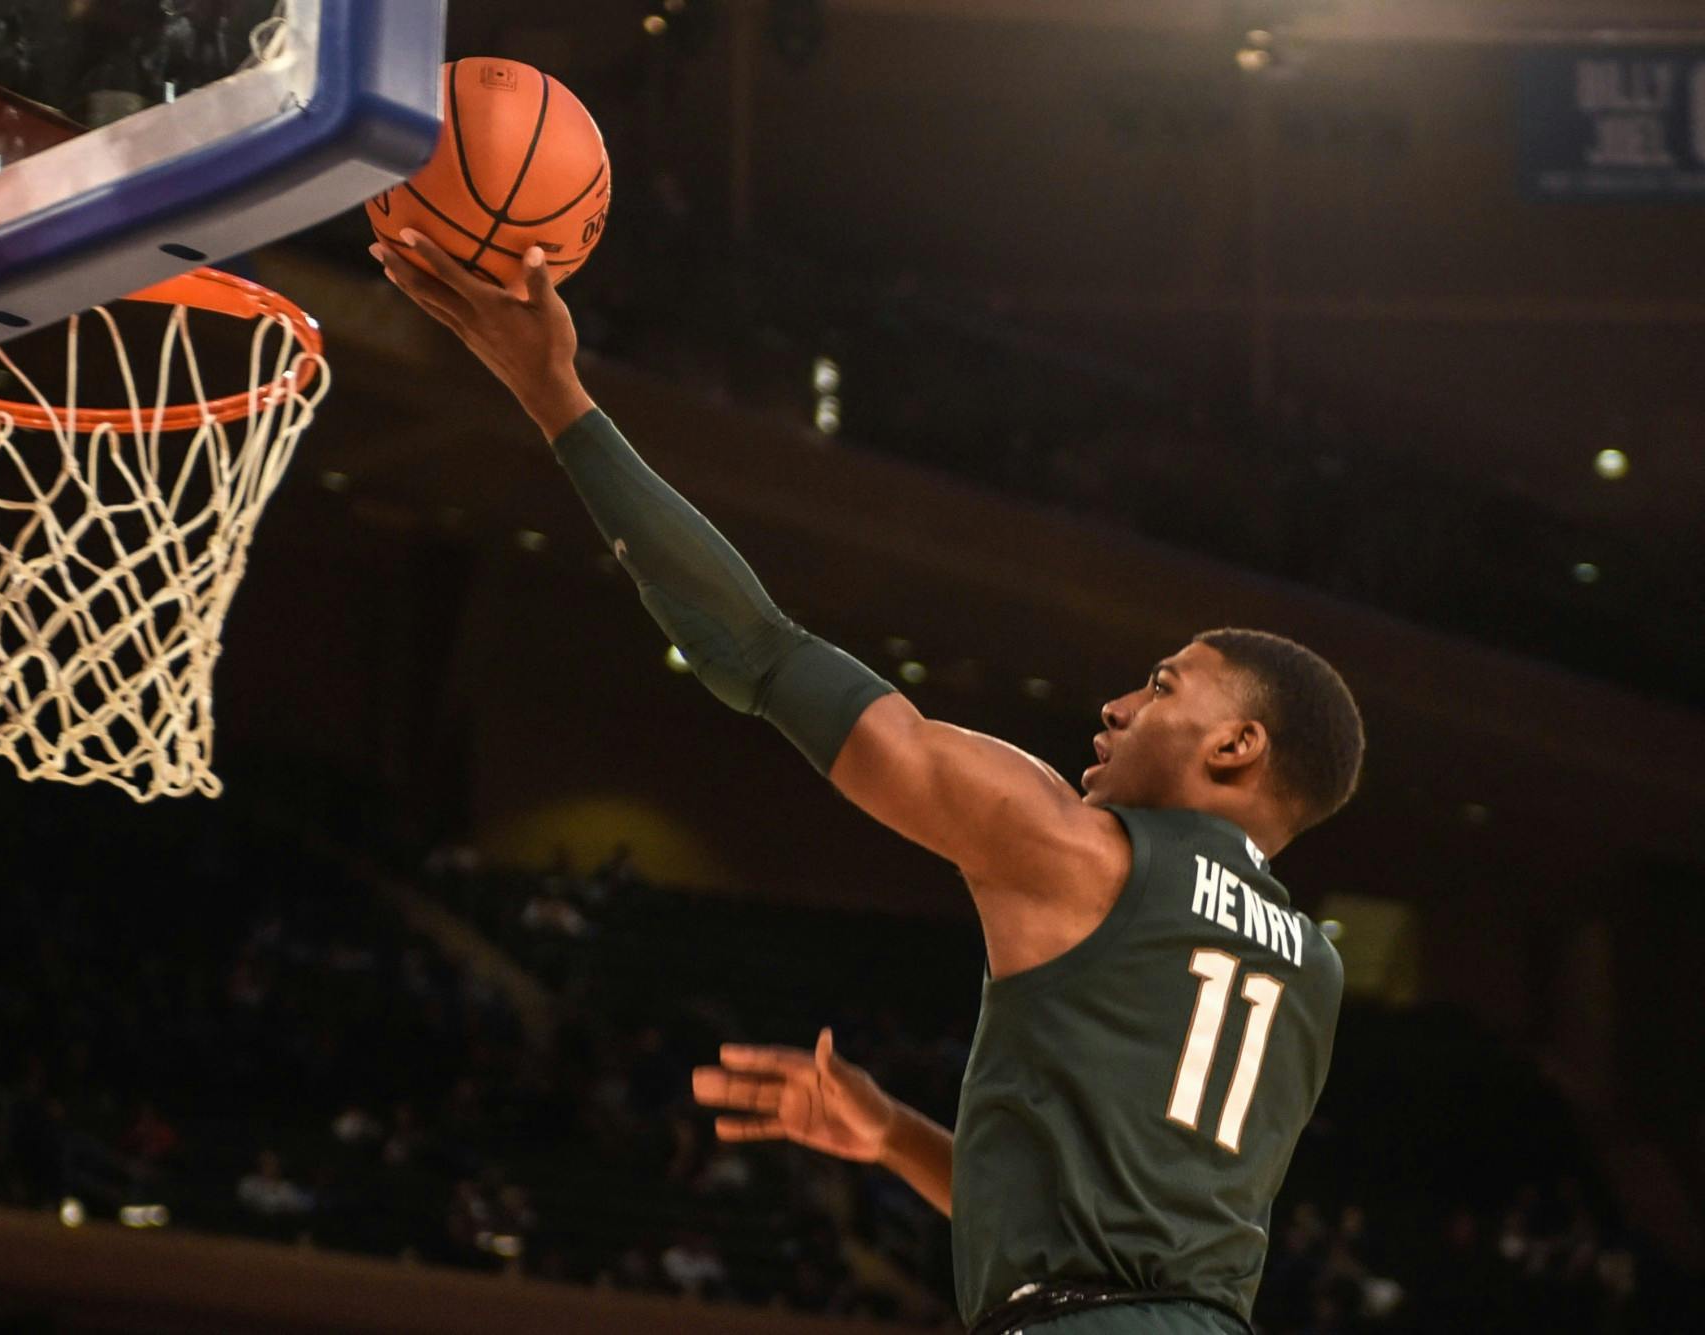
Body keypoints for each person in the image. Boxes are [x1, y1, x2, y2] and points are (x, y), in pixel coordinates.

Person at [372, 231, 1364, 1335]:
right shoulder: (1314, 969)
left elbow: (756, 650)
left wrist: (554, 396)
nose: (1118, 708)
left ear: (1234, 747)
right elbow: (1124, 1239)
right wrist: (893, 1136)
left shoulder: (1075, 848)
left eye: (1161, 686)